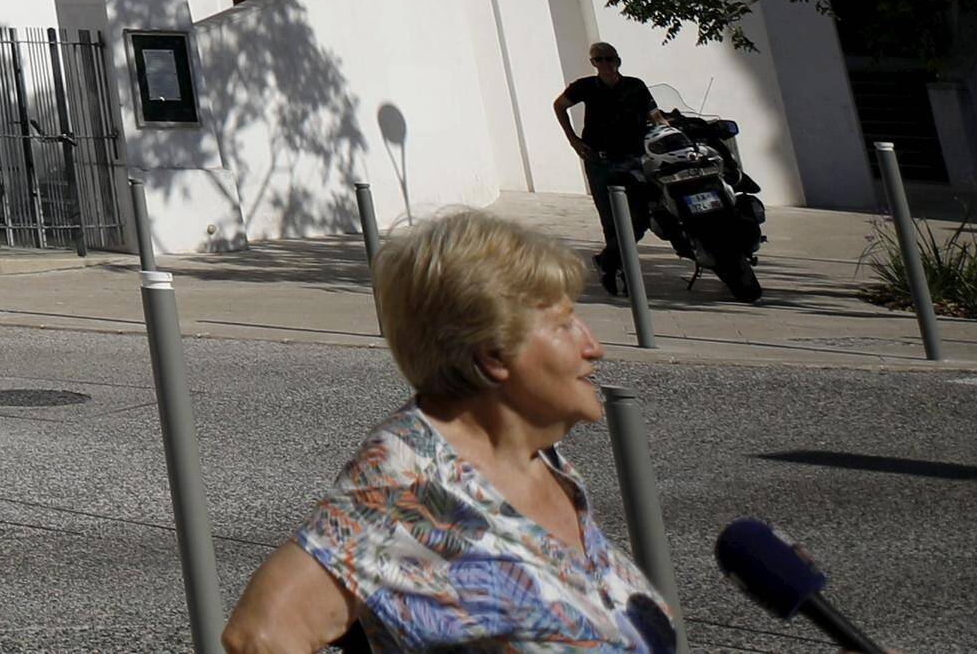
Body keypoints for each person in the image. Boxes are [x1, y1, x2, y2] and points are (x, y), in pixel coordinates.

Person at [220, 210, 679, 653]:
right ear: (493, 355)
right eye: (564, 326)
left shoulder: (534, 456)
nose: (593, 347)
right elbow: (258, 636)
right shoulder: (409, 482)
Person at [557, 42, 658, 275]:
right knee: (610, 219)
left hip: (633, 158)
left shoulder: (635, 85)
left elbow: (655, 115)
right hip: (599, 160)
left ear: (617, 60)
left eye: (608, 58)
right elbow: (560, 105)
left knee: (641, 214)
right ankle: (619, 272)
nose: (604, 64)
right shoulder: (585, 86)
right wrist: (572, 139)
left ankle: (609, 259)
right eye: (598, 59)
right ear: (593, 63)